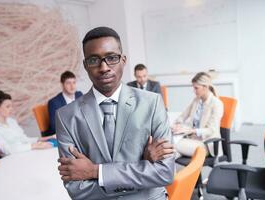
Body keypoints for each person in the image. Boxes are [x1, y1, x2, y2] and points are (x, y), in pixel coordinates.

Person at [56, 27, 175, 200]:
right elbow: (76, 189)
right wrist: (143, 167)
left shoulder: (152, 102)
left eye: (111, 58)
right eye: (94, 60)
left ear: (123, 60)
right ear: (85, 65)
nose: (104, 67)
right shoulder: (66, 116)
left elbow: (165, 173)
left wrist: (95, 171)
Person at [0, 90, 53, 157]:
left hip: (26, 152)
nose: (11, 109)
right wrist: (33, 146)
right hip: (12, 159)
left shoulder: (11, 121)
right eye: (8, 106)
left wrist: (42, 139)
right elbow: (7, 150)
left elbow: (23, 139)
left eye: (11, 106)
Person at [172, 72, 224, 157]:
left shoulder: (216, 104)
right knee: (170, 154)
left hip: (206, 144)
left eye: (196, 88)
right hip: (192, 140)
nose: (194, 91)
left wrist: (193, 131)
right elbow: (183, 116)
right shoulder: (196, 100)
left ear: (205, 87)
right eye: (193, 88)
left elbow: (211, 130)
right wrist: (177, 124)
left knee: (171, 144)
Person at [47, 71, 83, 135]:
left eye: (74, 83)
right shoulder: (54, 102)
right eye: (68, 83)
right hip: (64, 136)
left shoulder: (79, 95)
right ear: (62, 85)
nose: (72, 86)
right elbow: (54, 127)